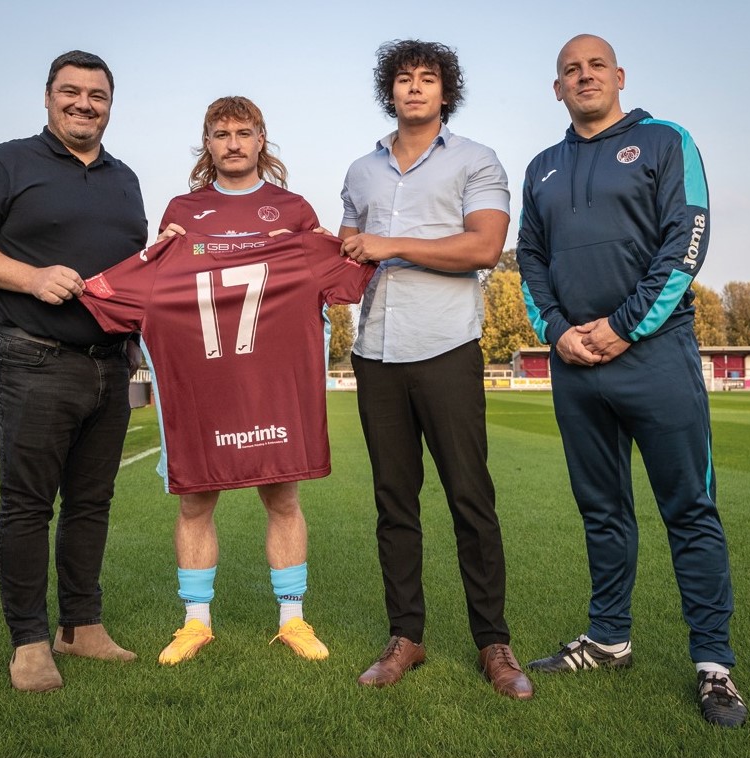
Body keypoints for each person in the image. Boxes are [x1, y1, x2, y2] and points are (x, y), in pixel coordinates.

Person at [516, 34, 747, 727]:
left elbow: (688, 240)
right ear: (556, 88)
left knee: (690, 509)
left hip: (655, 357)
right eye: (569, 70)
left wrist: (623, 325)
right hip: (575, 365)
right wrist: (556, 331)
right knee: (602, 509)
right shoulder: (543, 167)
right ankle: (609, 638)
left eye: (595, 67)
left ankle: (714, 665)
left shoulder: (665, 141)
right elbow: (528, 257)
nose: (583, 77)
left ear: (618, 77)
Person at [0, 51, 150, 692]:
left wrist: (140, 333)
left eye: (98, 95)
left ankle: (81, 626)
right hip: (33, 355)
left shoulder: (125, 178)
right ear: (49, 97)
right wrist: (31, 277)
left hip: (110, 366)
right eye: (72, 92)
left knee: (92, 503)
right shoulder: (6, 162)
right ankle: (29, 641)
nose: (84, 104)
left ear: (111, 104)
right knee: (28, 505)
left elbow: (131, 269)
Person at [339, 40, 533, 700]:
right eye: (403, 79)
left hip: (447, 347)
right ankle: (406, 638)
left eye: (428, 79)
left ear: (445, 92)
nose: (415, 88)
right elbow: (346, 262)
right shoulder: (360, 172)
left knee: (470, 501)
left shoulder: (477, 160)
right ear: (388, 91)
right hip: (375, 354)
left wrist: (389, 244)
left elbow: (484, 246)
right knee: (394, 504)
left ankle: (494, 643)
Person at [136, 96, 358, 665]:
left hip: (270, 384)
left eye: (243, 132)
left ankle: (292, 618)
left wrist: (348, 247)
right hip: (206, 385)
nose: (232, 143)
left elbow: (342, 275)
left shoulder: (293, 209)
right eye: (220, 133)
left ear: (262, 139)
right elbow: (161, 290)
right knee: (194, 502)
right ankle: (195, 622)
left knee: (282, 495)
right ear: (206, 143)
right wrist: (151, 256)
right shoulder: (184, 210)